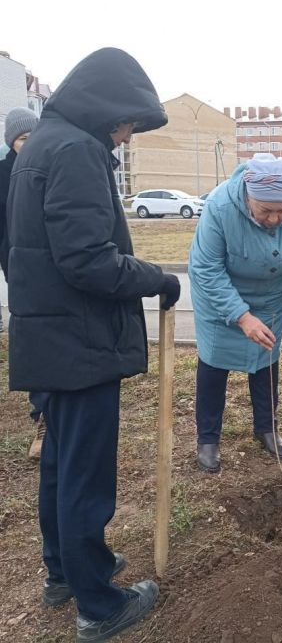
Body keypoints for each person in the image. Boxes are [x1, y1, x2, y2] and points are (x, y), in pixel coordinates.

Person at [6, 47, 180, 641]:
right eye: (127, 121)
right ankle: (99, 606)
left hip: (50, 334)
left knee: (59, 463)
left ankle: (66, 572)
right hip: (77, 340)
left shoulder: (44, 146)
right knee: (83, 473)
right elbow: (87, 260)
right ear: (105, 108)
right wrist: (156, 277)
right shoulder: (77, 151)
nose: (127, 133)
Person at [188, 153, 282, 472]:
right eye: (267, 210)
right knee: (214, 364)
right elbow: (205, 268)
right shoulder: (220, 207)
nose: (276, 219)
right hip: (221, 298)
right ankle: (208, 438)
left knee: (265, 361)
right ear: (249, 197)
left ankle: (266, 428)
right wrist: (241, 316)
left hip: (270, 296)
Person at [0, 107, 49, 460]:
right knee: (33, 344)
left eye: (34, 138)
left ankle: (53, 417)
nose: (29, 146)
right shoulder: (2, 176)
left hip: (51, 271)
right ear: (11, 143)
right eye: (22, 140)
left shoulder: (48, 170)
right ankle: (42, 418)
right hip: (18, 273)